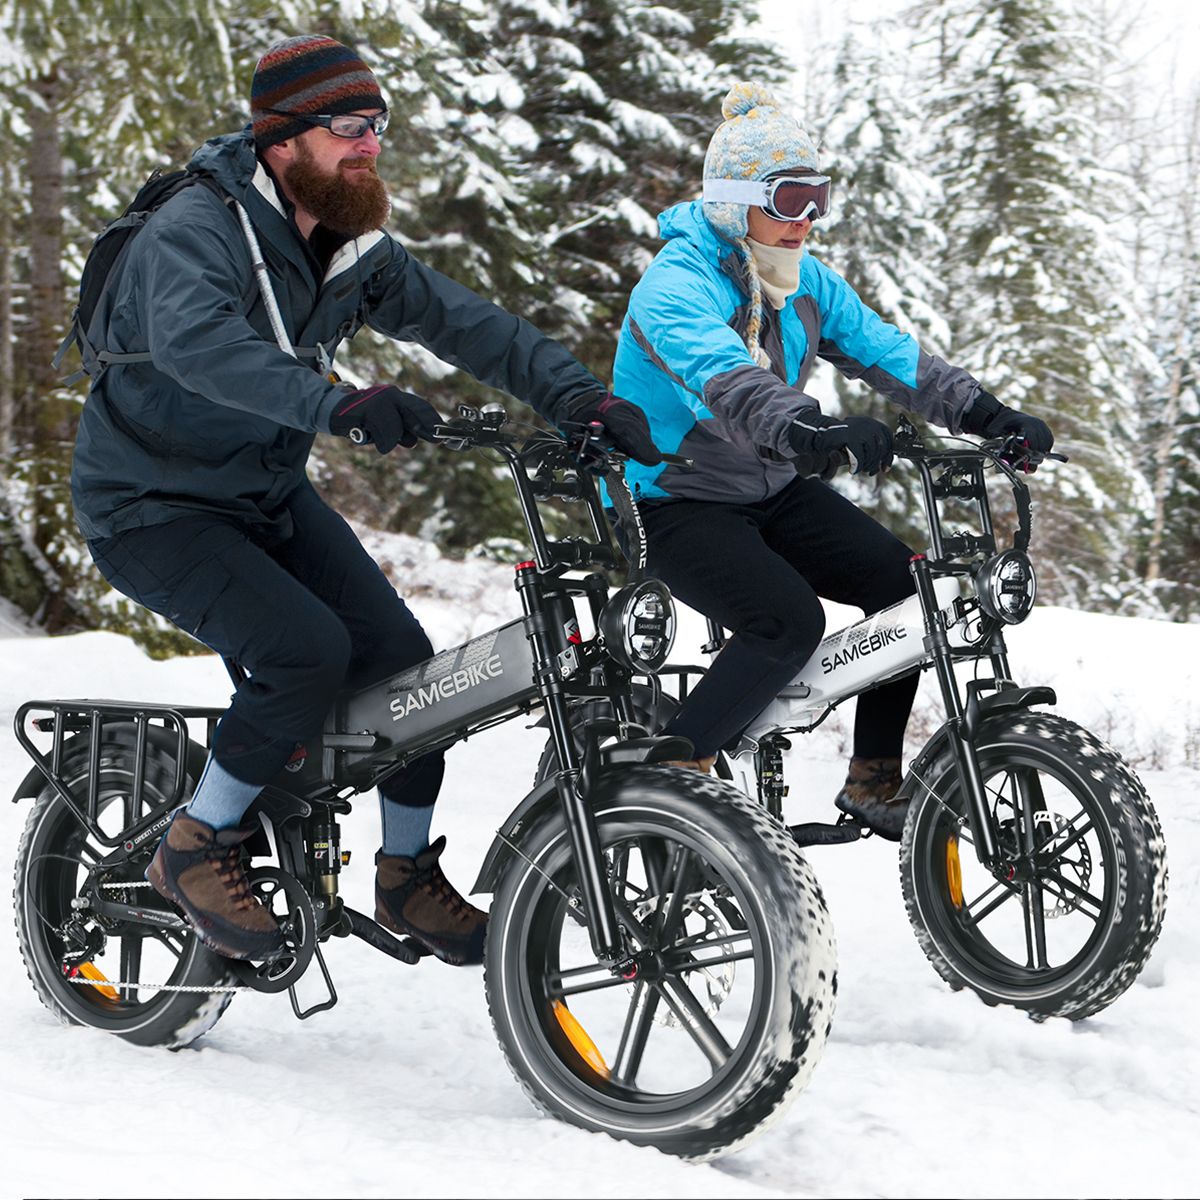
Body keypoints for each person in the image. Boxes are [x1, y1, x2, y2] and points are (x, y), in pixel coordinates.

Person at [71, 34, 661, 965]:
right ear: (282, 140)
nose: (369, 145)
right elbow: (201, 349)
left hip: (262, 495)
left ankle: (402, 874)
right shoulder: (193, 230)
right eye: (348, 127)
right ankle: (196, 843)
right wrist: (339, 403)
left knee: (402, 670)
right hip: (152, 507)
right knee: (303, 653)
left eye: (377, 126)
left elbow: (471, 326)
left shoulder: (350, 244)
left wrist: (580, 396)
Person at [611, 82, 1053, 840]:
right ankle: (672, 778)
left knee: (911, 593)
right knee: (786, 621)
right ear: (733, 201)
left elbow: (886, 352)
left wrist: (986, 415)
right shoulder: (676, 285)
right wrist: (808, 427)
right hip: (672, 500)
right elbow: (727, 378)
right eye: (788, 199)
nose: (805, 220)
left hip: (771, 488)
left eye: (818, 198)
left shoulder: (802, 281)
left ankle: (875, 777)